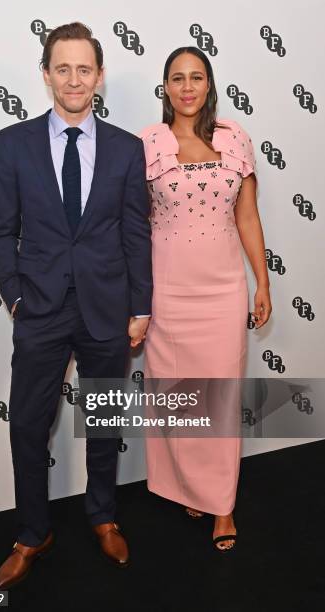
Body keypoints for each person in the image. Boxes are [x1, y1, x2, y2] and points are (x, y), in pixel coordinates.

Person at [0, 22, 152, 589]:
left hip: (108, 306)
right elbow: (0, 228)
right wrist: (13, 294)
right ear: (46, 74)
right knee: (28, 425)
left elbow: (136, 232)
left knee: (104, 419)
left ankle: (103, 514)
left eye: (85, 69)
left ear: (99, 76)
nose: (74, 79)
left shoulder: (129, 149)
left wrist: (142, 305)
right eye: (63, 68)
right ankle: (33, 531)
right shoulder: (12, 143)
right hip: (40, 308)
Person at [139, 47, 271, 552]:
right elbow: (134, 223)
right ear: (166, 87)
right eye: (177, 78)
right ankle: (189, 486)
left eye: (197, 77)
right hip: (168, 293)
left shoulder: (234, 138)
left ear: (209, 84)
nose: (187, 87)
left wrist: (263, 281)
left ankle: (223, 504)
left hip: (222, 292)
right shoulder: (147, 143)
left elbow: (248, 218)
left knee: (218, 397)